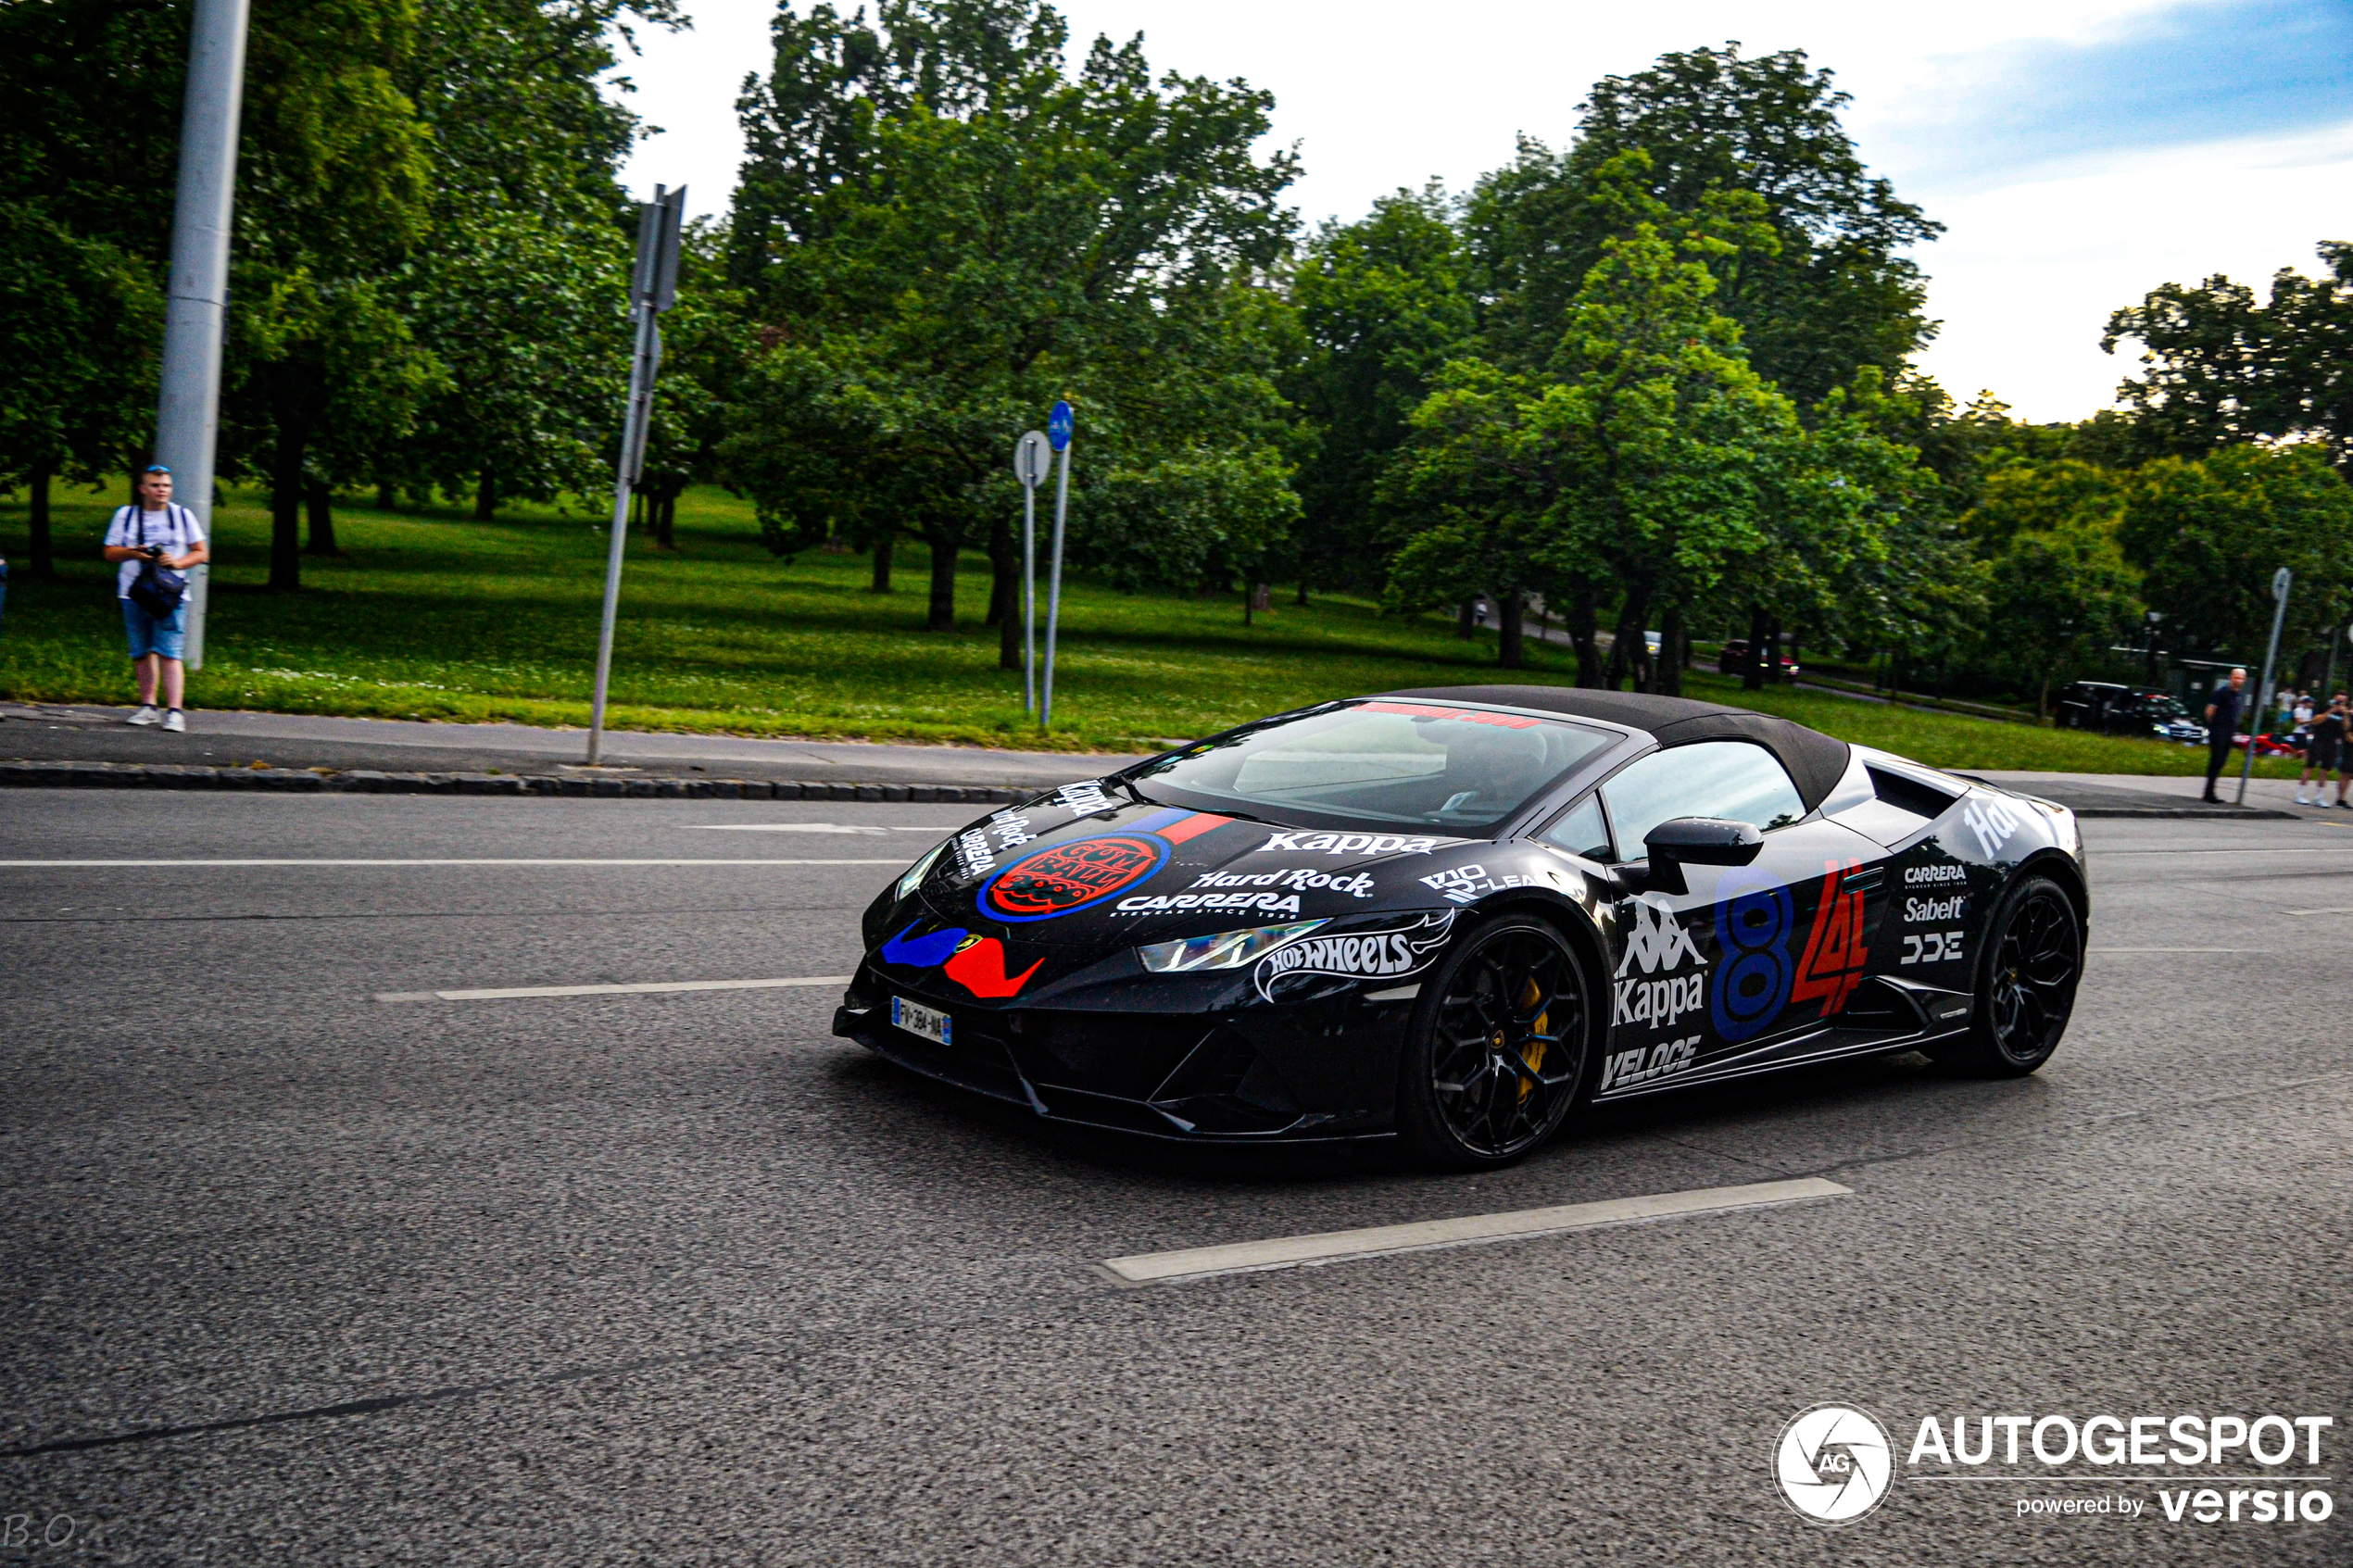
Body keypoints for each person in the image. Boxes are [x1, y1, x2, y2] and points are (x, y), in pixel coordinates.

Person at [102, 465, 208, 734]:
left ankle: (175, 711)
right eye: (155, 485)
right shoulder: (126, 516)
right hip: (133, 592)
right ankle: (148, 706)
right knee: (141, 651)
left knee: (169, 652)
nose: (162, 490)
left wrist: (178, 562)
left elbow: (201, 552)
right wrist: (135, 553)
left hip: (171, 596)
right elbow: (110, 552)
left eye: (166, 486)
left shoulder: (182, 516)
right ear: (142, 489)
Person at [2202, 667, 2247, 803]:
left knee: (2221, 762)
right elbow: (2210, 710)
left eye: (2241, 678)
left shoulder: (2238, 695)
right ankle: (2209, 793)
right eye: (2236, 677)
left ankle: (2210, 790)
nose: (2238, 680)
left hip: (2229, 733)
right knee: (2216, 761)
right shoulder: (2221, 693)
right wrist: (2214, 726)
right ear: (2231, 678)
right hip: (2218, 731)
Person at [2299, 694, 2350, 809]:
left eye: (2342, 701)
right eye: (2338, 700)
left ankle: (2319, 797)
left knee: (2325, 770)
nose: (2339, 703)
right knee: (2310, 766)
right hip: (2318, 740)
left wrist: (2345, 713)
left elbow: (2346, 727)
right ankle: (2301, 794)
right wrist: (2330, 711)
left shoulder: (2342, 713)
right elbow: (2315, 721)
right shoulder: (2323, 707)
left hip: (2332, 743)